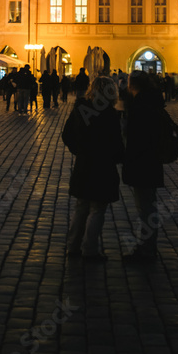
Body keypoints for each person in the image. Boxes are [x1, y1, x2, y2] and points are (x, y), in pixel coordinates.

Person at [62, 75, 125, 261]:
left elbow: (67, 135)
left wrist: (79, 150)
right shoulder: (110, 114)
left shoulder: (80, 108)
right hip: (103, 166)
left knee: (81, 206)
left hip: (84, 164)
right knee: (97, 209)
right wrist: (118, 158)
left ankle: (73, 247)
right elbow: (116, 143)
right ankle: (90, 250)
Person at [121, 70, 166, 264]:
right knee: (149, 205)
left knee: (145, 207)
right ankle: (148, 245)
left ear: (133, 85)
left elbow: (135, 137)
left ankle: (147, 249)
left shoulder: (140, 105)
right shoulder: (154, 102)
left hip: (142, 163)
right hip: (152, 162)